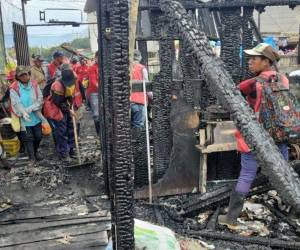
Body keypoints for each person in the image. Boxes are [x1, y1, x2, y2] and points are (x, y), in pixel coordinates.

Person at [218, 43, 289, 229]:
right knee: (284, 173)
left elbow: (233, 92)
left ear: (266, 62)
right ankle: (293, 209)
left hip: (255, 138)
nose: (250, 62)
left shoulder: (254, 83)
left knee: (247, 175)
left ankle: (231, 218)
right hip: (279, 135)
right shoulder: (283, 79)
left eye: (254, 59)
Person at [9, 66, 44, 165]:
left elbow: (40, 99)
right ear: (18, 77)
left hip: (36, 115)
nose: (24, 77)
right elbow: (16, 104)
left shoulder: (34, 84)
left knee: (38, 136)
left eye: (25, 74)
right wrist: (23, 113)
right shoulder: (14, 88)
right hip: (24, 117)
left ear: (28, 74)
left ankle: (35, 151)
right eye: (21, 75)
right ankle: (32, 157)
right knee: (28, 138)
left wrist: (29, 109)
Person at [45, 64, 76, 161]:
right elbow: (57, 102)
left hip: (65, 105)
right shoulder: (57, 85)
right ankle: (64, 153)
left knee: (71, 127)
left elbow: (70, 95)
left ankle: (71, 149)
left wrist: (71, 106)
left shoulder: (73, 78)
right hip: (56, 108)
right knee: (61, 131)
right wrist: (68, 109)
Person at [130, 50, 151, 128]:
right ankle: (136, 140)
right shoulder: (142, 68)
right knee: (138, 125)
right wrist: (152, 96)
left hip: (128, 101)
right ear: (139, 58)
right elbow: (147, 86)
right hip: (139, 102)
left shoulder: (127, 68)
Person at [86, 51, 100, 135]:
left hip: (103, 92)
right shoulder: (92, 68)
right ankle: (99, 133)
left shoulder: (106, 67)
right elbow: (94, 82)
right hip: (94, 93)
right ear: (96, 58)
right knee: (96, 114)